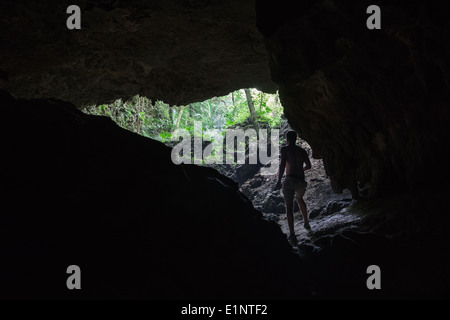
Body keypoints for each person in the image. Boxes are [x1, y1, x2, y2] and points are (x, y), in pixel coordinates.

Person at [274, 130, 312, 242]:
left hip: (289, 180)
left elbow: (282, 166)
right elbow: (309, 166)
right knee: (300, 199)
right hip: (300, 181)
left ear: (287, 140)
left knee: (289, 207)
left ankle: (292, 234)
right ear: (296, 139)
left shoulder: (285, 150)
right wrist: (301, 169)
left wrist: (278, 181)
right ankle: (306, 222)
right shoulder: (302, 151)